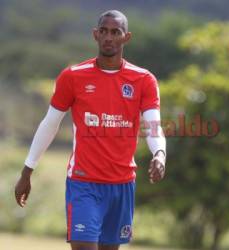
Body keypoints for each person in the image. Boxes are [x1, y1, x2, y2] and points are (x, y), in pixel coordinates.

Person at [14, 10, 166, 250]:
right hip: (83, 183)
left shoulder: (143, 79)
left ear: (126, 37)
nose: (108, 37)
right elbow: (50, 124)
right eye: (103, 31)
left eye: (115, 32)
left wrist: (159, 153)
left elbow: (153, 123)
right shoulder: (73, 76)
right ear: (95, 35)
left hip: (122, 184)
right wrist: (27, 171)